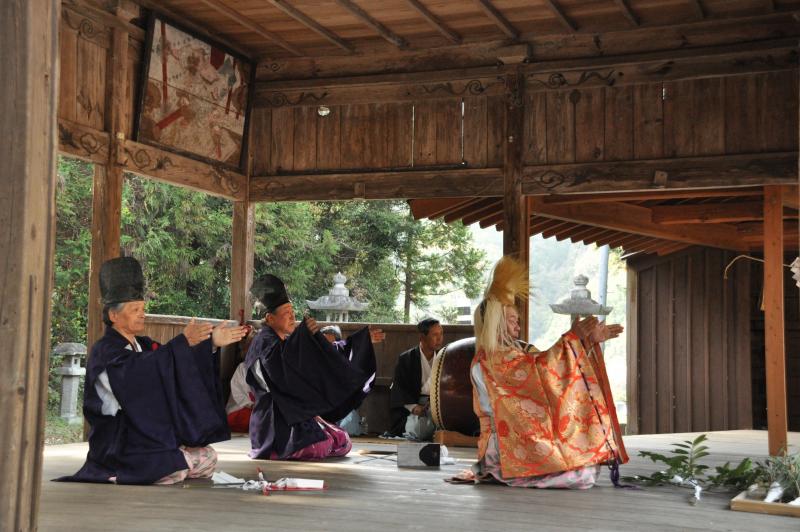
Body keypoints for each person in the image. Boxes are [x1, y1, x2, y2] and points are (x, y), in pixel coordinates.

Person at [58, 257, 247, 485]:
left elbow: (171, 362)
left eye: (143, 308)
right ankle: (123, 470)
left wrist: (211, 344)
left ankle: (171, 463)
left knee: (208, 456)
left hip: (148, 435)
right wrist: (182, 342)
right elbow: (139, 374)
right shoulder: (105, 351)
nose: (142, 314)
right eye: (135, 309)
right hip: (119, 440)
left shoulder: (145, 345)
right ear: (113, 316)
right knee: (173, 466)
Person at [468, 256, 628, 489]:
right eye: (512, 320)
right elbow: (540, 371)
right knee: (581, 474)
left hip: (524, 435)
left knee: (584, 465)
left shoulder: (516, 353)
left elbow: (545, 369)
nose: (518, 326)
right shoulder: (489, 362)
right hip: (504, 446)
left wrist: (585, 343)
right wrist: (572, 341)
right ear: (496, 323)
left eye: (518, 320)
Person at [245, 274, 384, 460]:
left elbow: (317, 356)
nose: (292, 317)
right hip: (275, 417)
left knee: (342, 440)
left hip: (296, 412)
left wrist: (361, 342)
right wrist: (303, 336)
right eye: (287, 313)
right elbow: (279, 369)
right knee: (321, 446)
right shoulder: (263, 341)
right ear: (270, 319)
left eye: (293, 312)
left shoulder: (286, 341)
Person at [388, 318, 443, 440]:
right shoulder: (406, 359)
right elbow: (399, 388)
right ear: (422, 337)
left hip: (437, 407)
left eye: (441, 334)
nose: (439, 339)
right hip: (414, 407)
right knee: (417, 431)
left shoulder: (443, 357)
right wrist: (414, 408)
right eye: (435, 334)